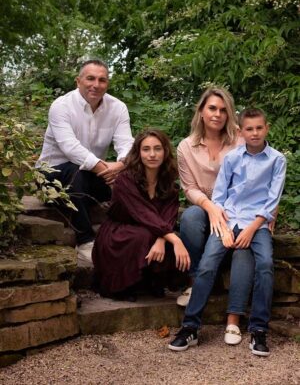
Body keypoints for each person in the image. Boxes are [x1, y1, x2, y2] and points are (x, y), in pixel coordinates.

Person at [168, 108, 286, 356]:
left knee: (265, 264)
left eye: (259, 128)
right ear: (241, 132)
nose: (254, 133)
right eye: (249, 129)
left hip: (258, 224)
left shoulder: (277, 160)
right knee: (208, 264)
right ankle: (190, 327)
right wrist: (225, 227)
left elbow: (272, 200)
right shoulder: (232, 158)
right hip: (229, 219)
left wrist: (251, 229)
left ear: (267, 128)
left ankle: (258, 329)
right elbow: (220, 195)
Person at [176, 86, 255, 344]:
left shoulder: (240, 142)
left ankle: (232, 315)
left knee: (244, 247)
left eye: (223, 110)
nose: (217, 114)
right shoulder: (186, 147)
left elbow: (252, 182)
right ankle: (196, 278)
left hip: (237, 209)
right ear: (201, 111)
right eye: (212, 108)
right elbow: (189, 187)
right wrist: (212, 208)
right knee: (190, 218)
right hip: (205, 205)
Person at [36, 59, 134, 266]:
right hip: (50, 178)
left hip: (90, 177)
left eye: (102, 80)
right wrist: (104, 169)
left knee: (132, 176)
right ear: (78, 81)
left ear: (107, 84)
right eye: (90, 78)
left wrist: (121, 165)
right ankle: (85, 242)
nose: (96, 85)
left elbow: (126, 144)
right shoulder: (61, 106)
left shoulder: (118, 108)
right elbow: (70, 148)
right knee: (75, 170)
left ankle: (130, 236)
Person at [92, 128, 191, 301]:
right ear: (138, 152)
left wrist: (162, 239)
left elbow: (168, 216)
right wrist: (174, 239)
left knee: (160, 239)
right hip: (118, 232)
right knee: (147, 236)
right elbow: (143, 213)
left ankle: (149, 282)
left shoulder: (169, 183)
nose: (152, 154)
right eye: (146, 149)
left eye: (157, 149)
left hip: (154, 230)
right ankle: (123, 285)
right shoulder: (125, 179)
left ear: (165, 151)